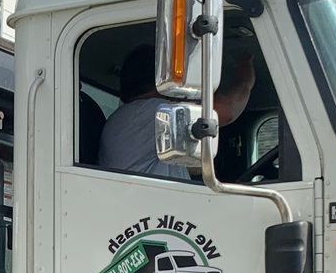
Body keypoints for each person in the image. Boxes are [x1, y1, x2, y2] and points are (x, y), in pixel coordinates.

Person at [97, 42, 255, 180]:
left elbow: (192, 169)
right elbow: (225, 111)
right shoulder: (150, 112)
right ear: (163, 80)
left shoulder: (133, 117)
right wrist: (245, 77)